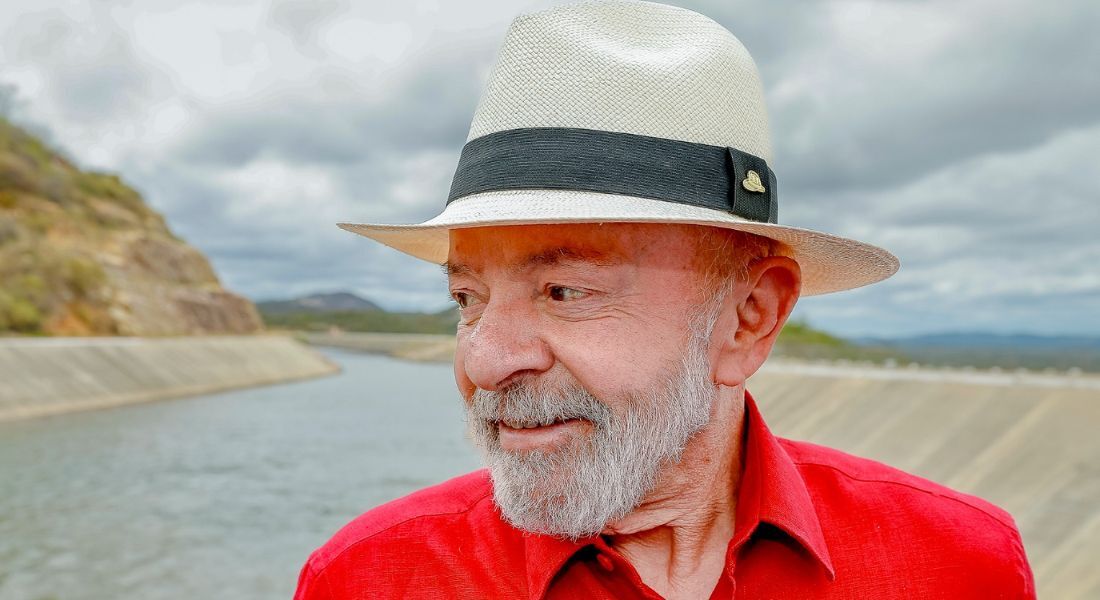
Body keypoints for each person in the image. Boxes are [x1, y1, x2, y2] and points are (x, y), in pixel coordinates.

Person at [295, 2, 1035, 598]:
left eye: (563, 291)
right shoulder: (367, 579)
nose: (485, 360)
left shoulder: (960, 566)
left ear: (748, 319)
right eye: (468, 297)